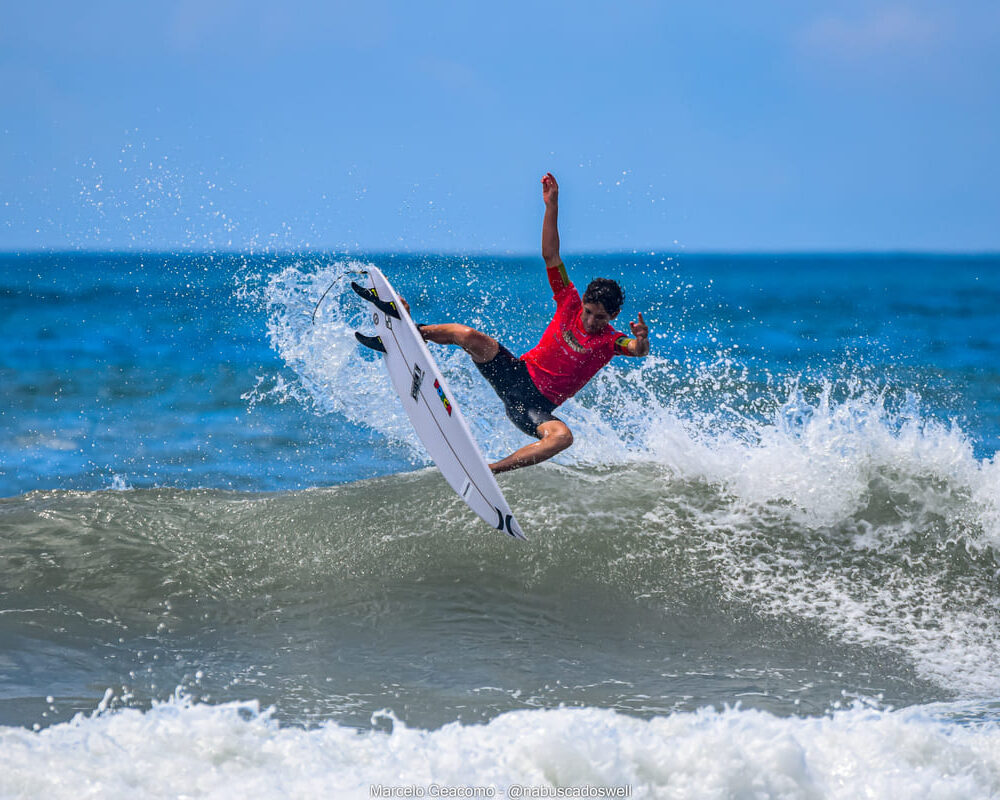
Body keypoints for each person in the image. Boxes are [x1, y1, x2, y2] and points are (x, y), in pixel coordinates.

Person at [419, 172, 650, 473]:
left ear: (613, 318)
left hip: (532, 408)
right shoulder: (569, 301)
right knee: (468, 335)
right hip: (514, 373)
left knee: (562, 437)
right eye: (589, 311)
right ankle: (414, 331)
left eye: (601, 317)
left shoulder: (610, 340)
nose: (591, 320)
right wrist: (551, 206)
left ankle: (489, 469)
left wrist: (642, 339)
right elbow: (550, 254)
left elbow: (636, 349)